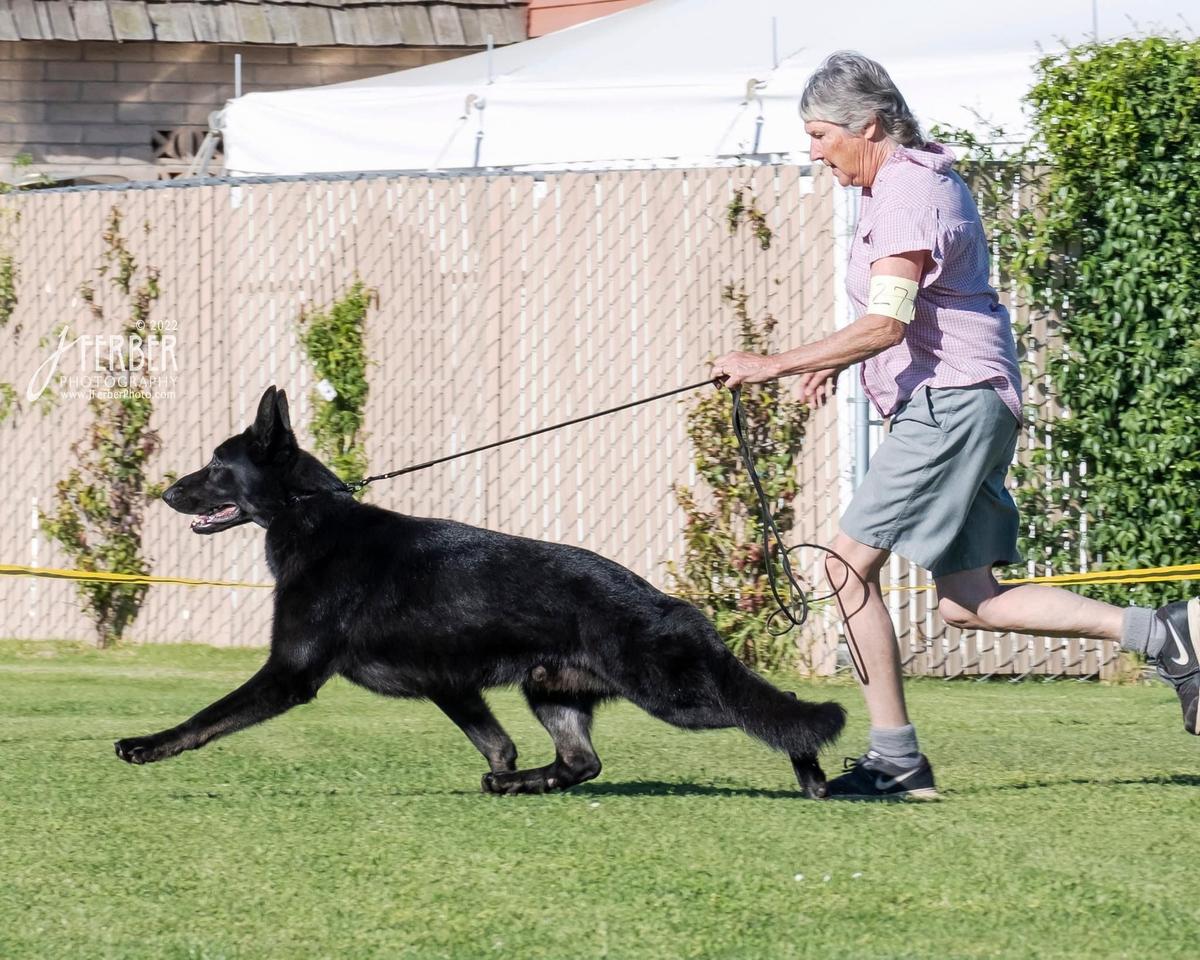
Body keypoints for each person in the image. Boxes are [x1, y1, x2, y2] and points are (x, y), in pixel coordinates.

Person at [710, 51, 1198, 801]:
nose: (812, 151)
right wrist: (833, 363)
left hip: (952, 402)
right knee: (969, 600)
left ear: (866, 125)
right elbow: (896, 322)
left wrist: (774, 362)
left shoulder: (905, 194)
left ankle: (896, 760)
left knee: (844, 568)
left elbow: (886, 322)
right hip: (970, 399)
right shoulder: (909, 185)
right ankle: (1164, 634)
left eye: (818, 134)